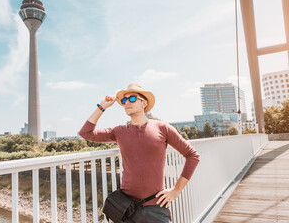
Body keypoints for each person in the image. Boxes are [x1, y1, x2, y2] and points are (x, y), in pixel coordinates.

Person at [79, 83, 200, 223]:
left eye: (132, 99)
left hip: (156, 207)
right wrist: (102, 106)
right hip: (126, 209)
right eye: (124, 100)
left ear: (144, 103)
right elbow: (85, 133)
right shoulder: (119, 131)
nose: (126, 103)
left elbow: (193, 156)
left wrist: (176, 190)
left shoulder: (162, 128)